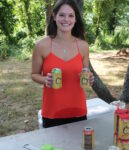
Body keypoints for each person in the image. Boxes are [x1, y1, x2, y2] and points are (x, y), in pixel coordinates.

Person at [31, 0, 94, 128]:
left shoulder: (83, 46)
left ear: (75, 19)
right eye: (62, 15)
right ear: (54, 16)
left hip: (78, 110)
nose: (66, 19)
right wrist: (45, 79)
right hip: (52, 112)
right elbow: (34, 74)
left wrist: (89, 78)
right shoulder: (41, 45)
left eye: (71, 15)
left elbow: (84, 73)